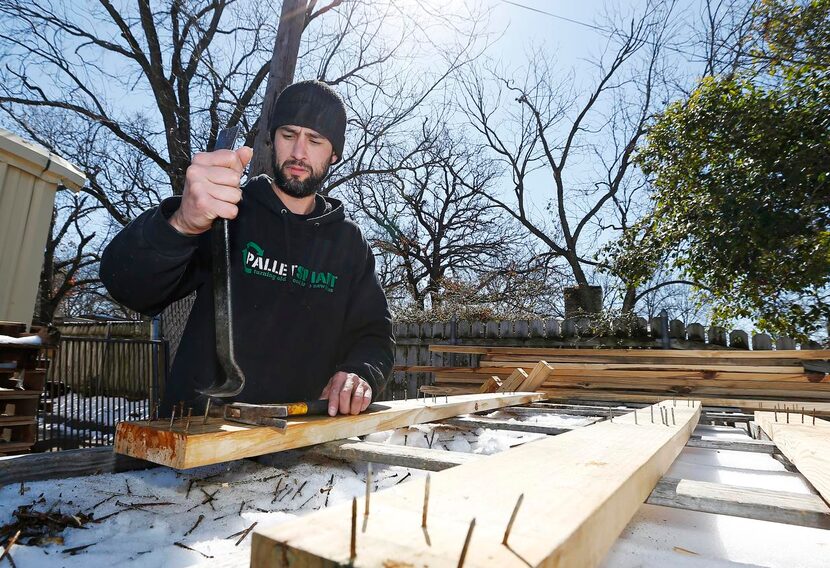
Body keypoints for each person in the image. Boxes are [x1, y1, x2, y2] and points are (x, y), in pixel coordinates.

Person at [100, 80, 394, 417]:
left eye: (315, 140)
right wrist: (183, 223)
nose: (299, 152)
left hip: (298, 443)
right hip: (198, 437)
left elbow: (375, 335)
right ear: (272, 140)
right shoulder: (226, 212)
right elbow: (126, 284)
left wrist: (360, 372)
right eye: (288, 135)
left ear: (334, 154)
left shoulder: (348, 244)